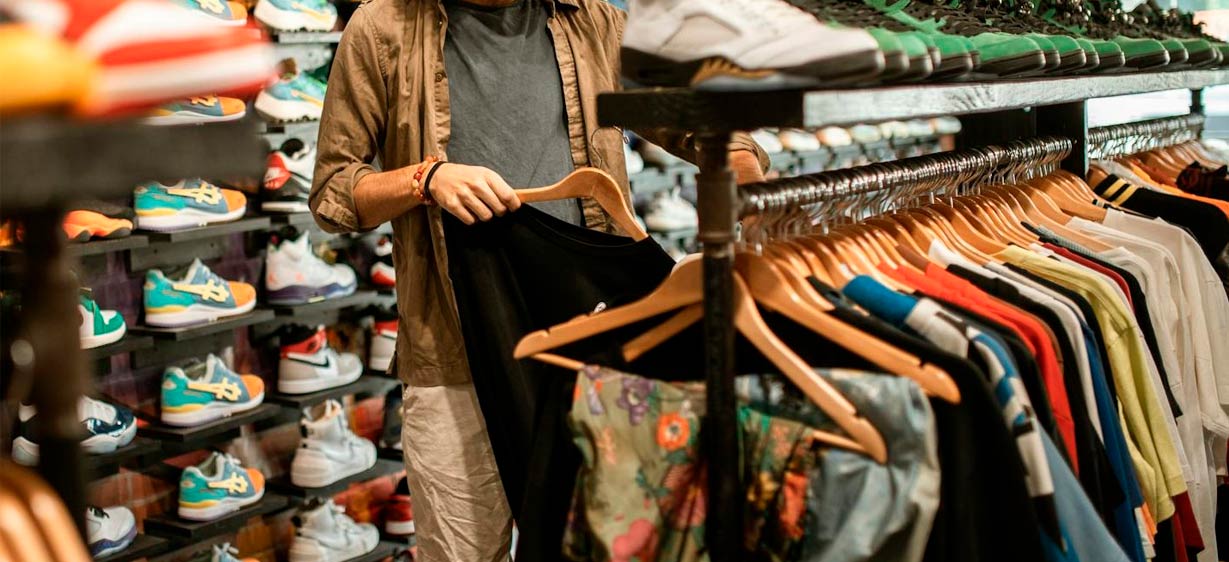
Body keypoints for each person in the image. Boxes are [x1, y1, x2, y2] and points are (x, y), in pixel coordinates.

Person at [309, 0, 767, 560]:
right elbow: (334, 193)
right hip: (454, 352)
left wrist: (738, 168)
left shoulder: (594, 20)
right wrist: (426, 179)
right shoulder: (384, 26)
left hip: (593, 345)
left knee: (603, 545)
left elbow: (699, 121)